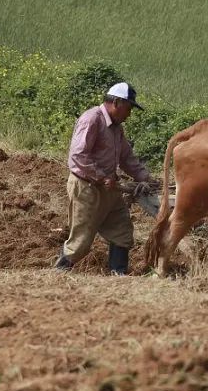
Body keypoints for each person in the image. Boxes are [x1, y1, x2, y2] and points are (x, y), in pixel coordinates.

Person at [54, 81, 155, 275]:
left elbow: (127, 158)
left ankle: (119, 276)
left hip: (109, 188)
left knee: (122, 232)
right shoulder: (92, 120)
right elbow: (78, 156)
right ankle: (58, 274)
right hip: (87, 188)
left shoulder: (117, 128)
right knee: (80, 243)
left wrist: (146, 178)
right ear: (117, 102)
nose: (129, 114)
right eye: (128, 108)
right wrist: (100, 177)